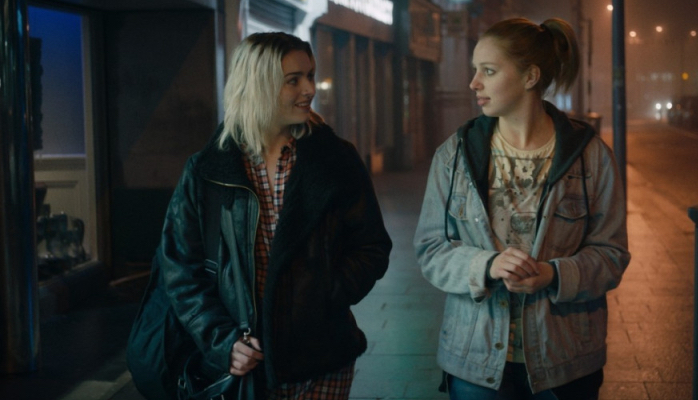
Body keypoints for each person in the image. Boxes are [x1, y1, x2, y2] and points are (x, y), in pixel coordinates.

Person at [157, 32, 392, 399]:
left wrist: (326, 294)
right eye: (293, 80)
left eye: (310, 76)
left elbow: (371, 245)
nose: (310, 89)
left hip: (323, 357)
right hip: (245, 365)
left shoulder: (336, 159)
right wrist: (222, 341)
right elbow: (180, 269)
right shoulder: (208, 171)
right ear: (258, 85)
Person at [414, 17, 630, 400]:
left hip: (564, 361)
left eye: (489, 71)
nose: (474, 83)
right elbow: (430, 250)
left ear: (531, 76)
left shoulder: (591, 158)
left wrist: (553, 274)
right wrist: (486, 265)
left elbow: (611, 255)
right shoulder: (455, 154)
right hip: (476, 362)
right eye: (474, 70)